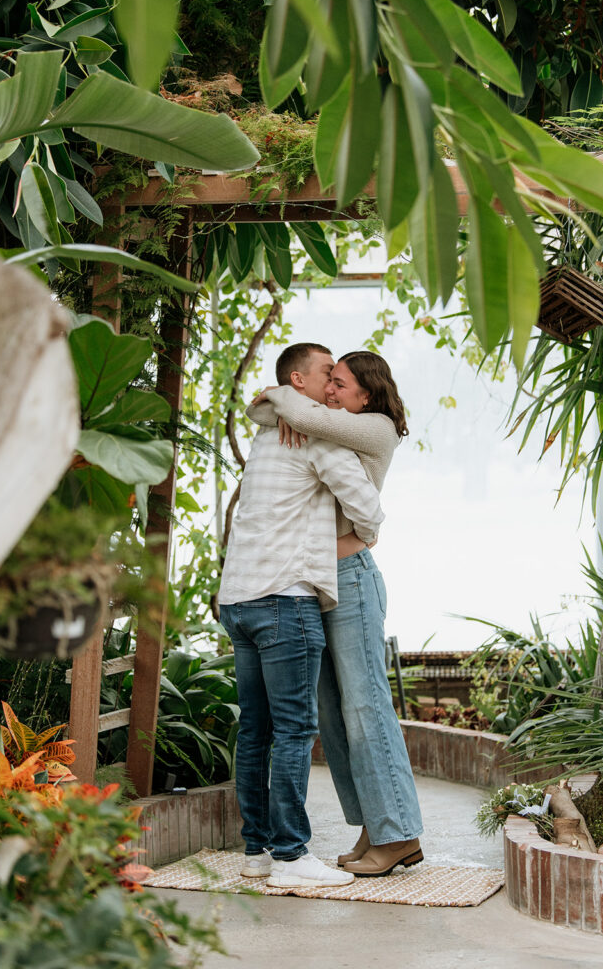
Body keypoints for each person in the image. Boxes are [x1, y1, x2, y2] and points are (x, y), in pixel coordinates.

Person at [248, 350, 424, 877]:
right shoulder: (334, 430)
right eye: (328, 383)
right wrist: (290, 406)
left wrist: (287, 399)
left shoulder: (374, 429)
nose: (330, 392)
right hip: (316, 583)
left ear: (366, 394)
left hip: (352, 580)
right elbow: (269, 415)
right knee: (332, 711)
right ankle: (376, 825)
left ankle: (399, 835)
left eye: (339, 384)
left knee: (366, 707)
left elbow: (289, 412)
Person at [218, 343, 386, 889]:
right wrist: (361, 537)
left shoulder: (270, 434)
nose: (331, 389)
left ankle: (258, 851)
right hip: (285, 601)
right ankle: (292, 856)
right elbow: (369, 508)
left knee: (256, 730)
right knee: (294, 732)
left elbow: (263, 404)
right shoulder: (315, 436)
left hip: (237, 599)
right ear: (298, 381)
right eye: (325, 376)